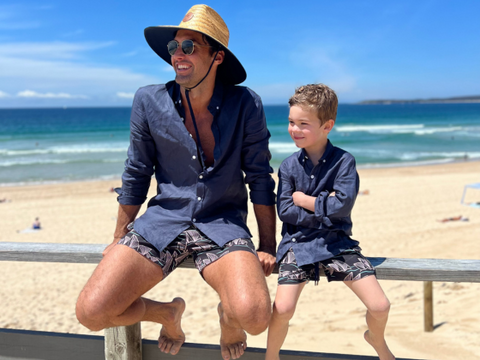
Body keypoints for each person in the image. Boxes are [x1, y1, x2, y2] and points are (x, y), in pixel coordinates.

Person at [75, 5, 277, 360]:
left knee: (255, 317)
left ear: (217, 57)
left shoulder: (246, 104)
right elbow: (137, 171)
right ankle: (166, 313)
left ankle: (227, 320)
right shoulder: (148, 100)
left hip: (222, 224)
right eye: (174, 47)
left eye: (189, 47)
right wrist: (118, 236)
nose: (177, 55)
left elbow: (259, 176)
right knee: (91, 312)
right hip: (162, 222)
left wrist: (268, 245)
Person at [265, 84, 394, 360]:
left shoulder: (344, 162)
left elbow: (343, 205)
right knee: (283, 309)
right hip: (296, 245)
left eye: (303, 123)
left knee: (381, 305)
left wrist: (307, 201)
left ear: (327, 125)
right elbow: (286, 211)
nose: (294, 130)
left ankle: (375, 339)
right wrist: (325, 205)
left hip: (338, 243)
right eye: (290, 122)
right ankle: (271, 355)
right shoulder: (287, 166)